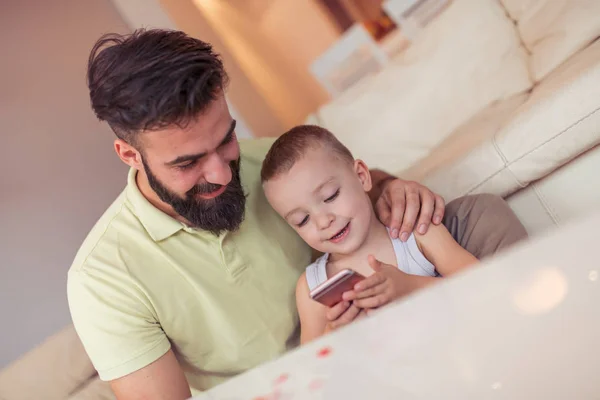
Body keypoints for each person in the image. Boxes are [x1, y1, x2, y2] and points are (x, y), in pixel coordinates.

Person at [67, 28, 527, 399]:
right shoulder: (104, 278)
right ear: (129, 155)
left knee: (480, 215)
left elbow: (348, 177)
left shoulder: (264, 163)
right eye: (188, 162)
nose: (223, 174)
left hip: (383, 342)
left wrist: (393, 187)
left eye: (225, 139)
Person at [261, 125, 479, 343]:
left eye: (330, 196)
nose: (323, 221)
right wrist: (333, 333)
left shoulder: (415, 231)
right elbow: (314, 365)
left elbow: (483, 281)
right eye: (302, 220)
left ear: (362, 176)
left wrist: (410, 286)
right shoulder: (312, 287)